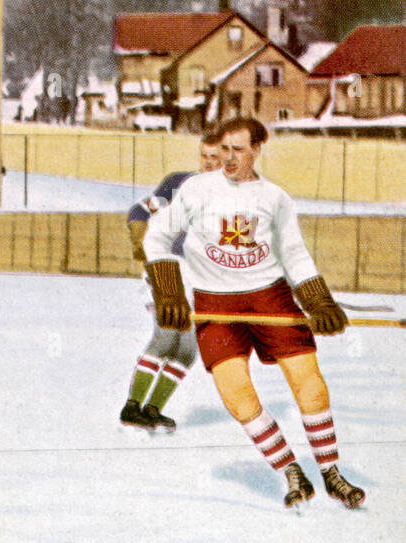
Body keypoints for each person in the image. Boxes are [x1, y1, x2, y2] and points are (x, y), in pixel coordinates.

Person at [143, 116, 364, 510]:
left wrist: (319, 303)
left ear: (258, 149)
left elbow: (293, 254)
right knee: (236, 395)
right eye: (224, 150)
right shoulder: (197, 189)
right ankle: (290, 471)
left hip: (270, 297)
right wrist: (169, 292)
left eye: (238, 150)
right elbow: (156, 235)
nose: (228, 159)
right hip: (215, 301)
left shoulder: (275, 198)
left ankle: (331, 472)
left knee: (309, 384)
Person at [120, 127, 223, 431]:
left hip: (198, 277)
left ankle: (151, 410)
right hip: (167, 268)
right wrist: (140, 239)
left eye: (215, 157)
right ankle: (131, 408)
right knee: (165, 338)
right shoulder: (179, 184)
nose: (208, 163)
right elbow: (139, 209)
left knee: (187, 350)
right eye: (204, 156)